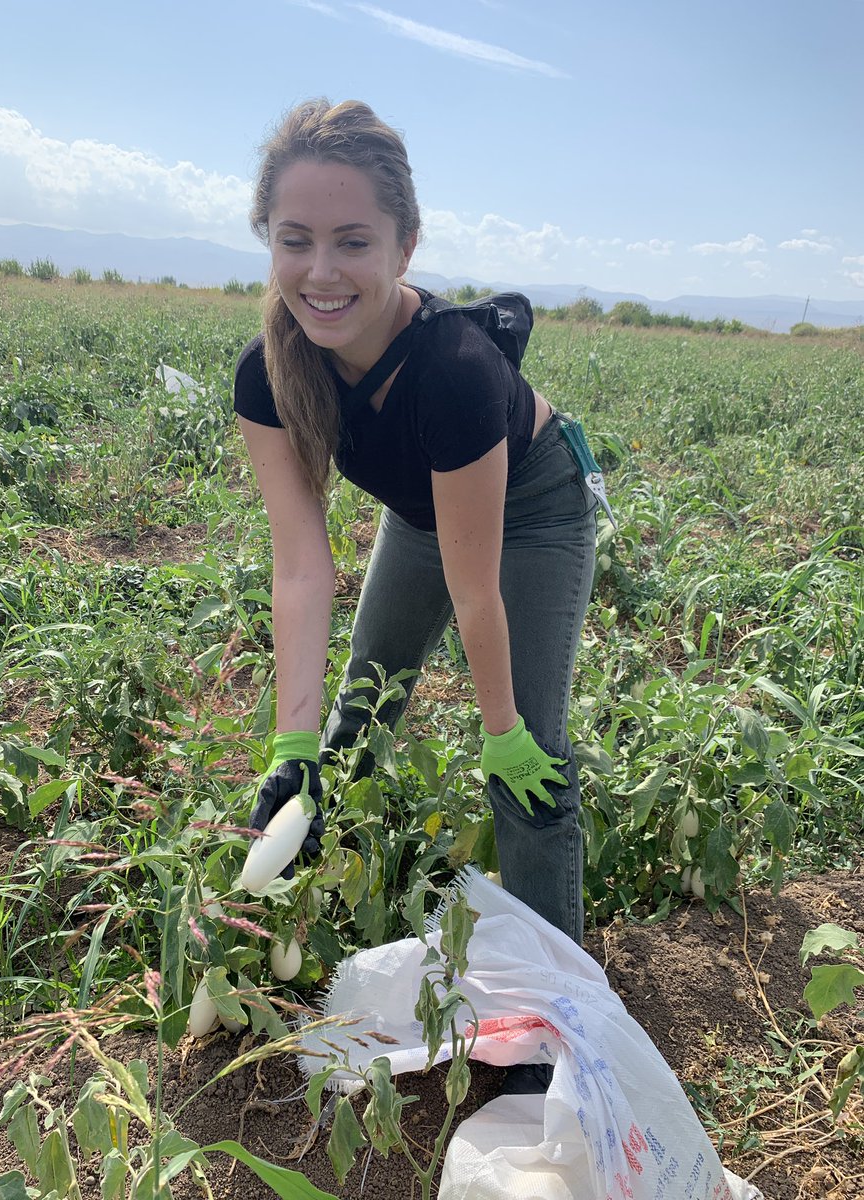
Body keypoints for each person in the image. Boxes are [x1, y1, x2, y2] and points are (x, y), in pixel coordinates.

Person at [233, 99, 598, 1087]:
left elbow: (476, 594)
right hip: (429, 504)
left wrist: (501, 729)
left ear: (406, 241)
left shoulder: (453, 370)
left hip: (533, 504)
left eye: (354, 241)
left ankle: (554, 1021)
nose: (322, 271)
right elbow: (303, 569)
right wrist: (290, 746)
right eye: (295, 239)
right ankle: (285, 932)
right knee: (353, 717)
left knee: (532, 765)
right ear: (268, 239)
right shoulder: (269, 375)